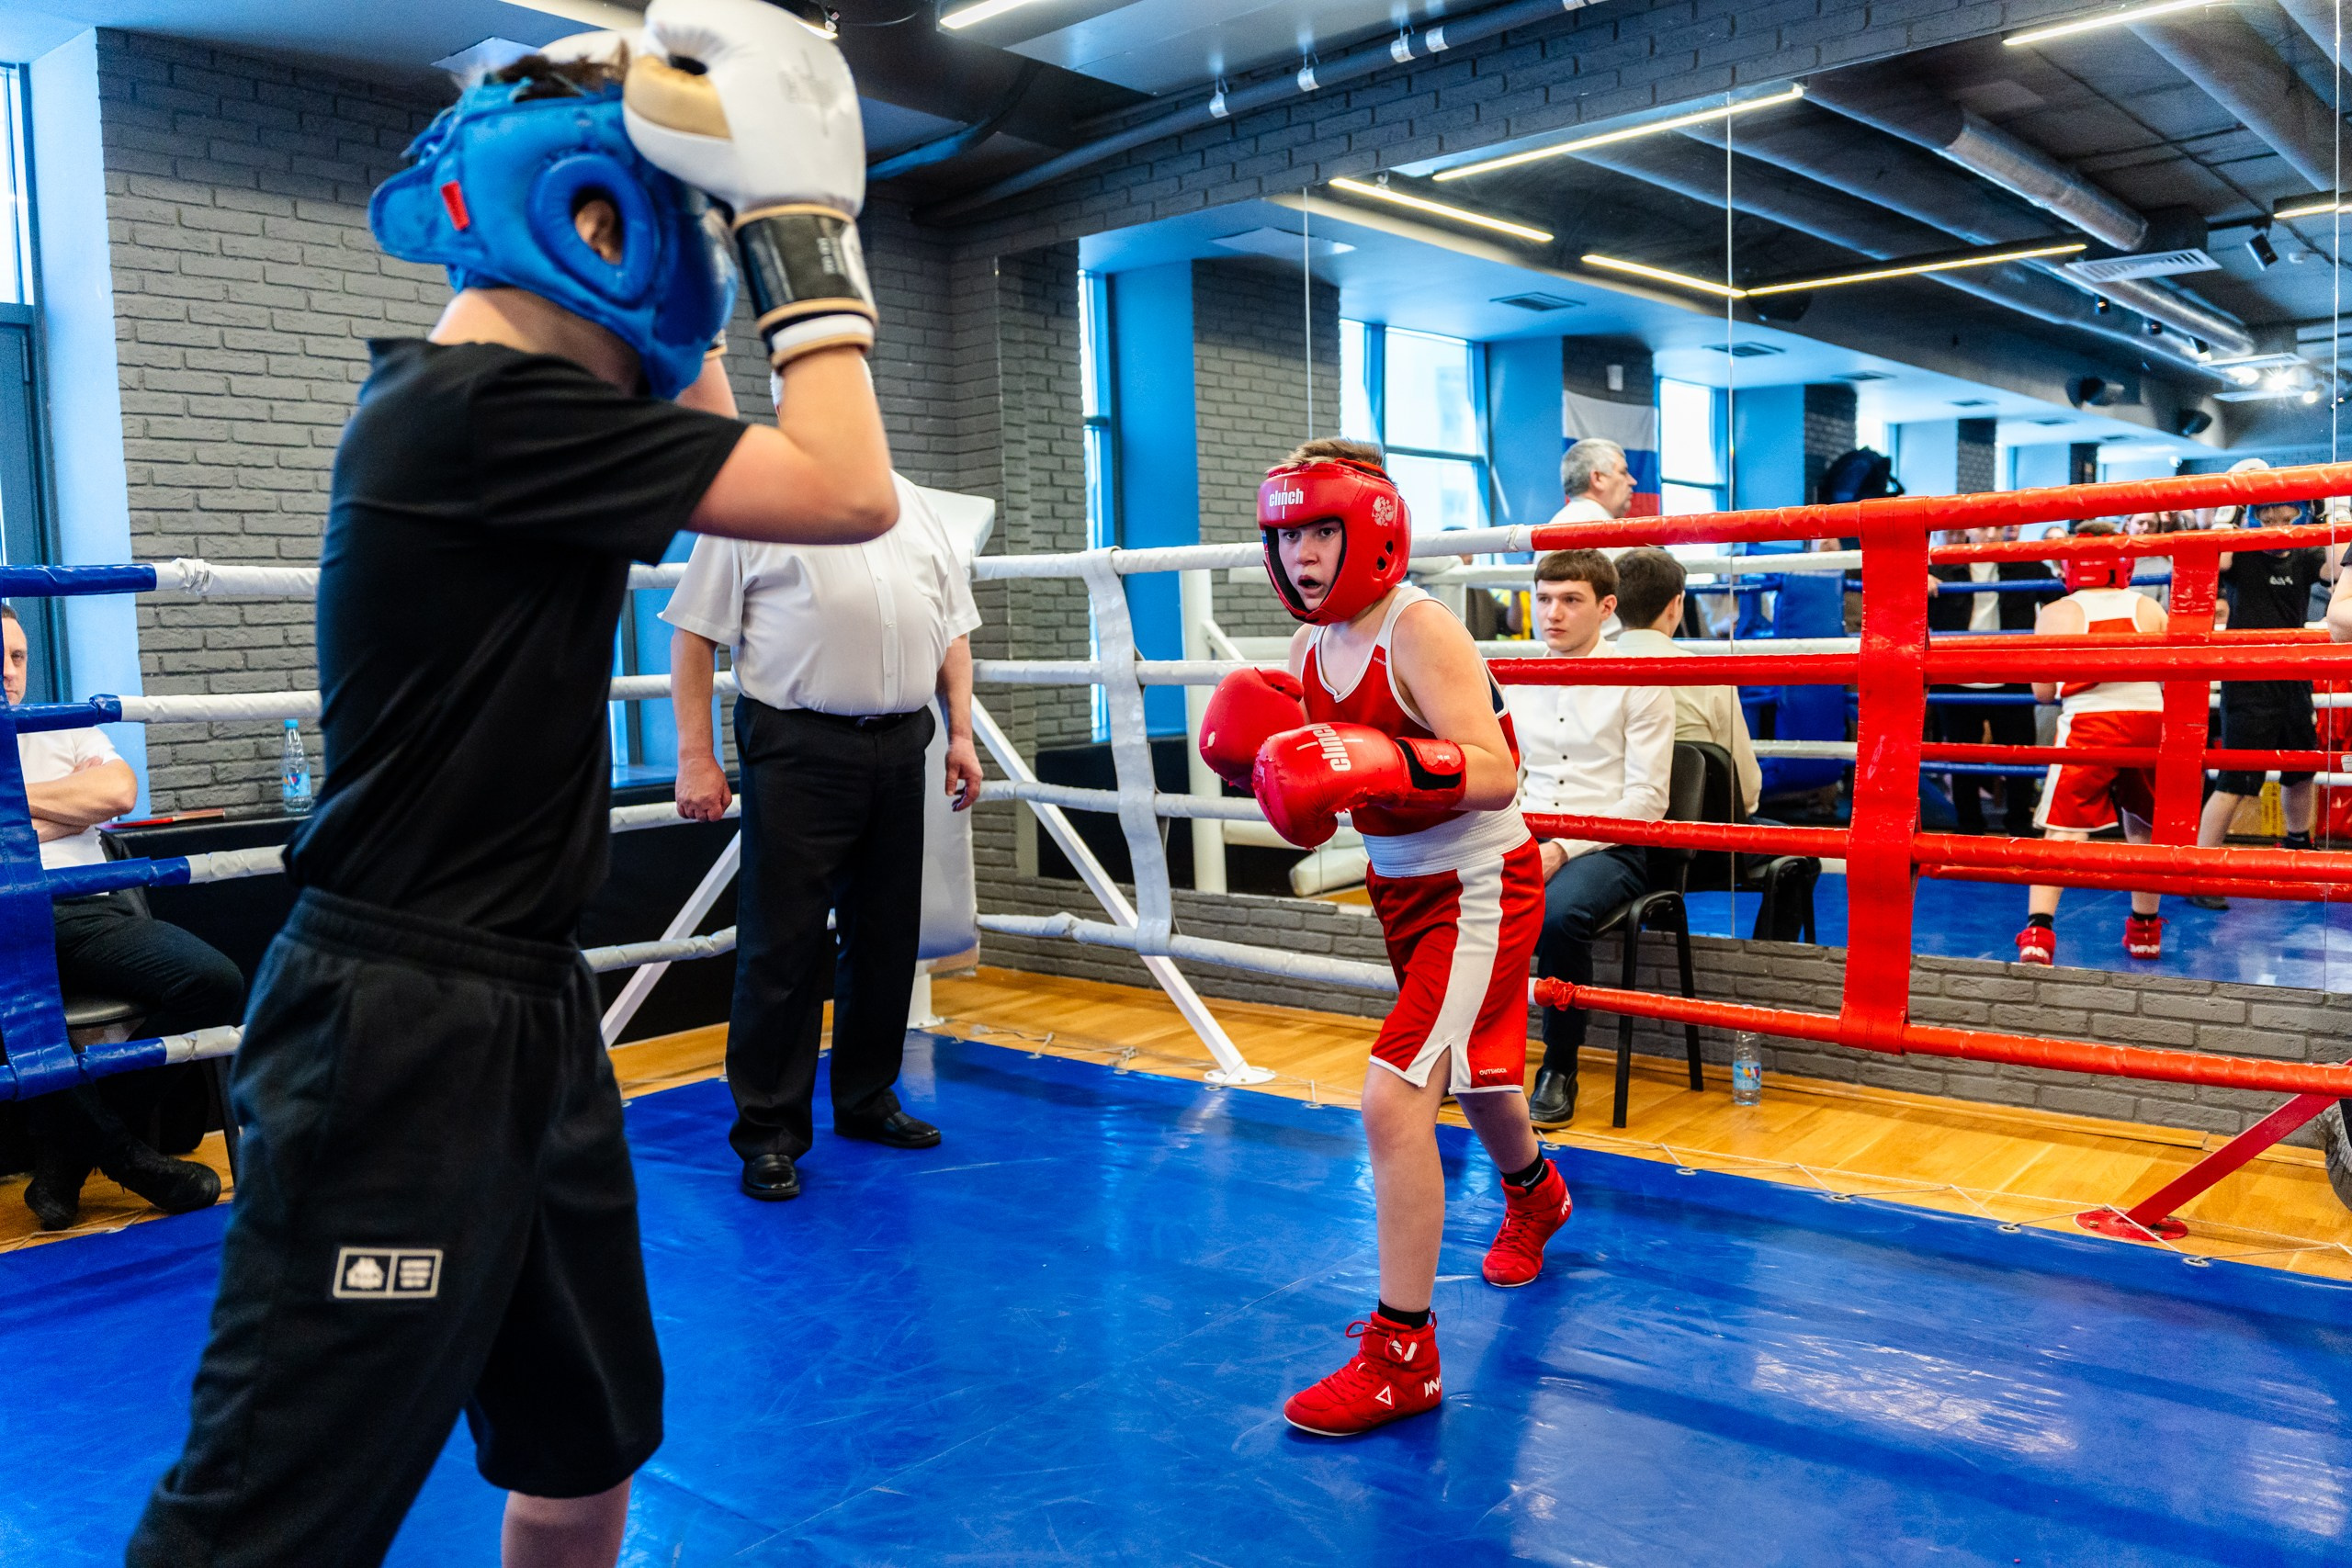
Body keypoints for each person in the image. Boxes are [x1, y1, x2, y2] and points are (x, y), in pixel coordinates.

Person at [130, 8, 899, 1565]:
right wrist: (798, 223)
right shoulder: (479, 409)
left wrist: (695, 249)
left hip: (524, 1004)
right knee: (262, 1523)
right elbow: (845, 488)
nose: (691, 268)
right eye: (671, 228)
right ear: (589, 224)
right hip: (396, 1029)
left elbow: (718, 459)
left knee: (584, 1449)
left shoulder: (517, 415)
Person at [1200, 437, 1566, 1438]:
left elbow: (1496, 771)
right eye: (1288, 536)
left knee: (1395, 1094)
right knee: (1475, 1072)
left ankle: (1404, 1355)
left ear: (1371, 531)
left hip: (1479, 883)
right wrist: (1293, 783)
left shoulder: (1419, 628)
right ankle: (1536, 1195)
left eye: (1323, 530)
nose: (1304, 554)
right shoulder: (1308, 648)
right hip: (1400, 885)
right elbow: (1325, 801)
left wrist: (1384, 759)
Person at [665, 469, 983, 1201]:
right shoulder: (753, 499)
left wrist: (961, 735)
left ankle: (867, 1097)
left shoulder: (914, 506)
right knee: (784, 942)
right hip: (796, 741)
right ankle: (770, 1134)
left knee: (886, 935)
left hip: (901, 743)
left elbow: (952, 630)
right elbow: (693, 634)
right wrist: (694, 755)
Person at [5, 607, 241, 1231]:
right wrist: (68, 809)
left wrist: (12, 805)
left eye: (19, 656)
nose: (9, 671)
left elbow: (118, 794)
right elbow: (91, 802)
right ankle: (132, 1162)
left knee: (214, 980)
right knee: (29, 1014)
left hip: (93, 906)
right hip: (9, 916)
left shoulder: (63, 723)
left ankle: (68, 1161)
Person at [1507, 549, 1674, 1126]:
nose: (1552, 613)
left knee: (1556, 916)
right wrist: (1506, 839)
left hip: (1612, 842)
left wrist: (1562, 849)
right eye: (1544, 598)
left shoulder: (1639, 680)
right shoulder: (1517, 678)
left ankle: (1559, 1065)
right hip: (1528, 831)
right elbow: (1510, 777)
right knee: (1452, 896)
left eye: (1570, 600)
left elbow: (1648, 799)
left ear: (1606, 608)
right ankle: (1470, 1057)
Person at [2017, 523, 2168, 966]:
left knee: (2064, 829)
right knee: (2145, 827)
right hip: (2151, 720)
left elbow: (2043, 694)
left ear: (2070, 564)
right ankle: (2145, 932)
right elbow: (2171, 676)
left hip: (2091, 723)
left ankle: (2039, 933)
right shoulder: (2148, 607)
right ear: (2124, 563)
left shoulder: (2058, 611)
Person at [2189, 498, 2333, 908]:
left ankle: (2298, 844)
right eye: (2269, 519)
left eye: (2287, 518)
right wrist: (2229, 510)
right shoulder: (2244, 553)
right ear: (2256, 519)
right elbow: (2215, 561)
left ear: (2300, 517)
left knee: (2301, 769)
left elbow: (2338, 571)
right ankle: (2202, 872)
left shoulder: (2306, 555)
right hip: (2248, 681)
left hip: (2294, 678)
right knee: (2235, 779)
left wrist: (2330, 518)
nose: (2278, 527)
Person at [1928, 526, 2057, 835]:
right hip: (1957, 677)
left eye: (1998, 527)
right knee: (1962, 759)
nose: (1991, 534)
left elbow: (2063, 599)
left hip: (2012, 675)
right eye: (1984, 527)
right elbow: (1895, 599)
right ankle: (1969, 827)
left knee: (2020, 756)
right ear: (1968, 530)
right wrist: (1914, 579)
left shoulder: (2028, 566)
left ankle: (2020, 826)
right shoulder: (1941, 567)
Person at [1611, 547, 1759, 816]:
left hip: (1611, 826)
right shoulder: (1708, 677)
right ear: (1675, 604)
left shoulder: (1588, 673)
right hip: (1702, 831)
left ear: (1613, 604)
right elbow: (1745, 792)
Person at [1546, 438, 1634, 527]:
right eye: (1623, 472)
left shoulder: (1559, 522)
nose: (1633, 482)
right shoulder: (1603, 529)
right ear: (1597, 478)